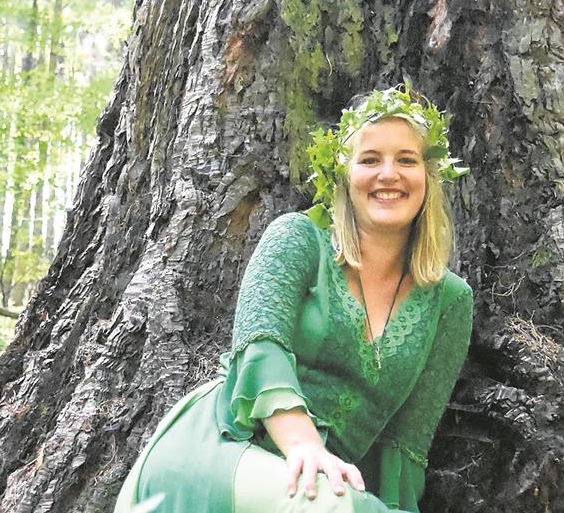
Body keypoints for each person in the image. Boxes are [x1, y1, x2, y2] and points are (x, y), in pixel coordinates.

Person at [114, 85, 474, 512]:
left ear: (428, 178)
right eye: (370, 159)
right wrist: (305, 446)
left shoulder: (450, 301)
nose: (389, 174)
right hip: (226, 446)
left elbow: (405, 444)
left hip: (318, 492)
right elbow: (259, 345)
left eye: (407, 160)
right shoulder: (298, 238)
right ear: (344, 175)